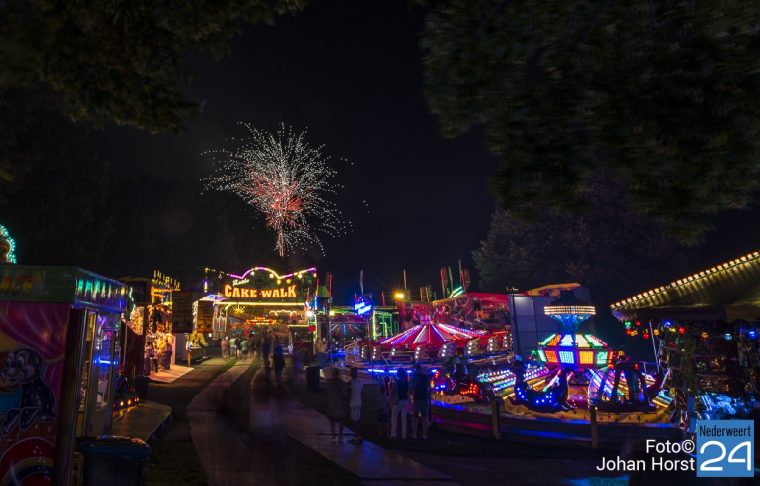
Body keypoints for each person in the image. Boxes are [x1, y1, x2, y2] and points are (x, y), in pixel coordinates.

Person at [325, 367, 348, 443]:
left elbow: (327, 392)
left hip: (332, 404)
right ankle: (340, 437)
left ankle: (333, 436)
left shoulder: (329, 382)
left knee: (332, 421)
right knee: (341, 421)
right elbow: (345, 393)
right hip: (339, 404)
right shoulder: (341, 383)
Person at [410, 364, 430, 439]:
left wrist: (410, 393)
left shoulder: (414, 377)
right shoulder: (425, 377)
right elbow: (428, 387)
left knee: (415, 417)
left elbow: (412, 387)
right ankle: (424, 435)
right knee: (425, 417)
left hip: (417, 398)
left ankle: (415, 434)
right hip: (424, 398)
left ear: (415, 369)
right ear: (420, 369)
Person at [390, 368, 409, 439]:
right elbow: (408, 392)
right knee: (404, 420)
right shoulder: (406, 382)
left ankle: (393, 434)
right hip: (404, 401)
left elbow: (392, 392)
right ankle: (403, 435)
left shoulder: (396, 382)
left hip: (397, 402)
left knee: (394, 418)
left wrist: (390, 401)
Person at [348, 367, 363, 443]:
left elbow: (349, 393)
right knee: (358, 420)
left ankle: (356, 436)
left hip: (352, 403)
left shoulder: (350, 382)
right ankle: (359, 435)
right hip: (359, 402)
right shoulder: (360, 382)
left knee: (354, 421)